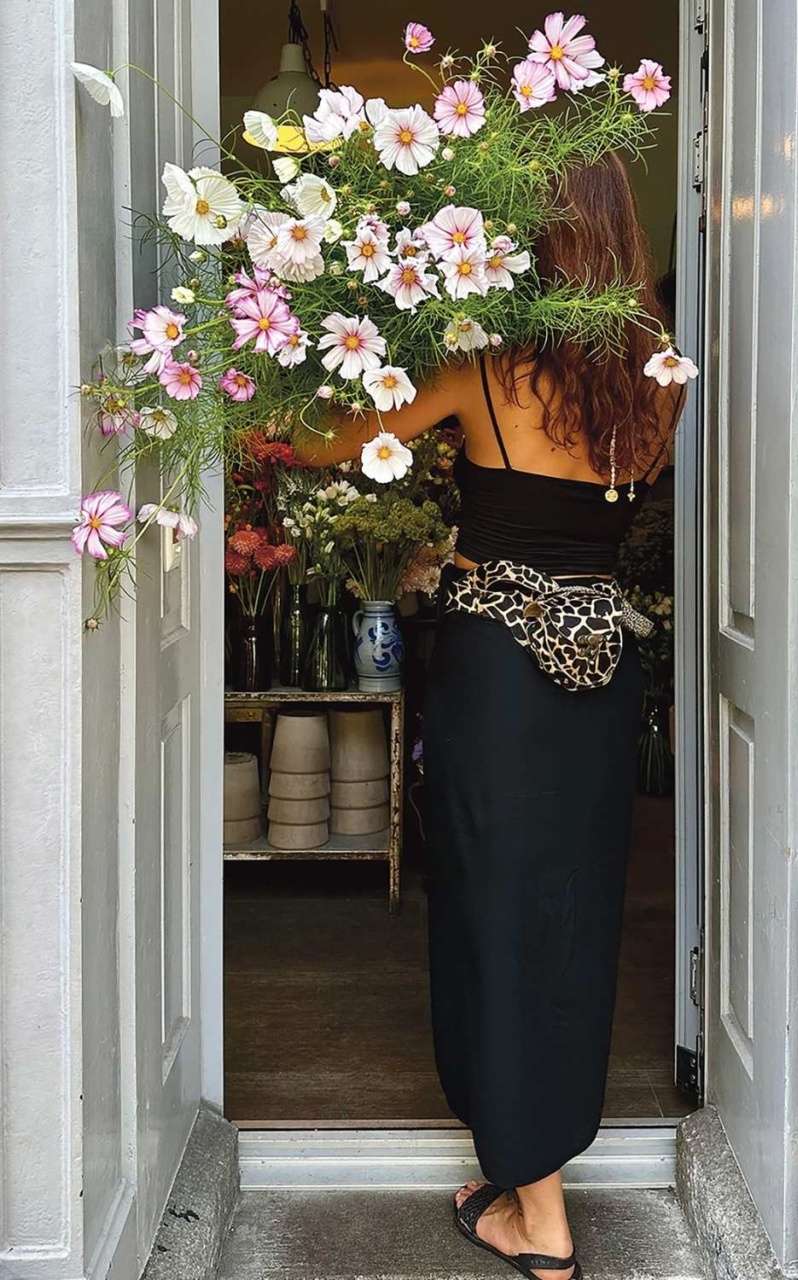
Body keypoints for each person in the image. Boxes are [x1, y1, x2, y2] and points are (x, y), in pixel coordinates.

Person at [294, 152, 687, 1280]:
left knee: (494, 916)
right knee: (568, 920)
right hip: (600, 671)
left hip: (499, 670)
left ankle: (539, 1212)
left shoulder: (485, 363)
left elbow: (326, 437)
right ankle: (528, 1175)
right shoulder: (660, 374)